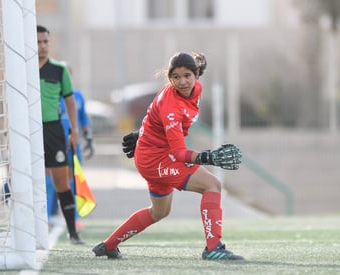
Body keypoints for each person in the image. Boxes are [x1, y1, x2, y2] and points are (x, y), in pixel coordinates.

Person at [92, 52, 243, 260]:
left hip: (150, 155)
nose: (182, 82)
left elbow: (153, 116)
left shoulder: (196, 88)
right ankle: (213, 248)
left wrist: (143, 134)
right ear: (169, 78)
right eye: (176, 77)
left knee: (159, 212)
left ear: (197, 75)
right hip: (158, 159)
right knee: (212, 185)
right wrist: (206, 157)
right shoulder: (171, 105)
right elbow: (178, 152)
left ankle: (108, 245)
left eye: (187, 75)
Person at [37, 25, 84, 245]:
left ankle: (73, 233)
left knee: (61, 182)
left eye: (46, 41)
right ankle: (28, 229)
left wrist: (74, 130)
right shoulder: (22, 69)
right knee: (24, 181)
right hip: (28, 131)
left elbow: (70, 102)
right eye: (38, 42)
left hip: (54, 130)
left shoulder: (59, 70)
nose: (43, 46)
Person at [46, 63, 94, 230]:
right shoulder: (50, 95)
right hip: (54, 143)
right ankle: (47, 215)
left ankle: (73, 217)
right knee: (51, 180)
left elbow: (83, 119)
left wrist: (88, 137)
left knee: (73, 180)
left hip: (73, 146)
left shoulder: (78, 96)